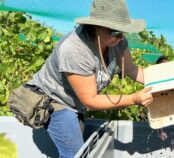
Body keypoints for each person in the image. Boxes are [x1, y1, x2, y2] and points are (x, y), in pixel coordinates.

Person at [25, 0, 153, 157]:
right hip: (54, 99)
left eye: (124, 31)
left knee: (78, 144)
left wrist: (164, 81)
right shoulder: (74, 50)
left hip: (76, 100)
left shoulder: (118, 41)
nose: (120, 37)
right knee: (75, 153)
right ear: (95, 27)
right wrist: (134, 99)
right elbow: (90, 100)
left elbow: (132, 69)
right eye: (115, 32)